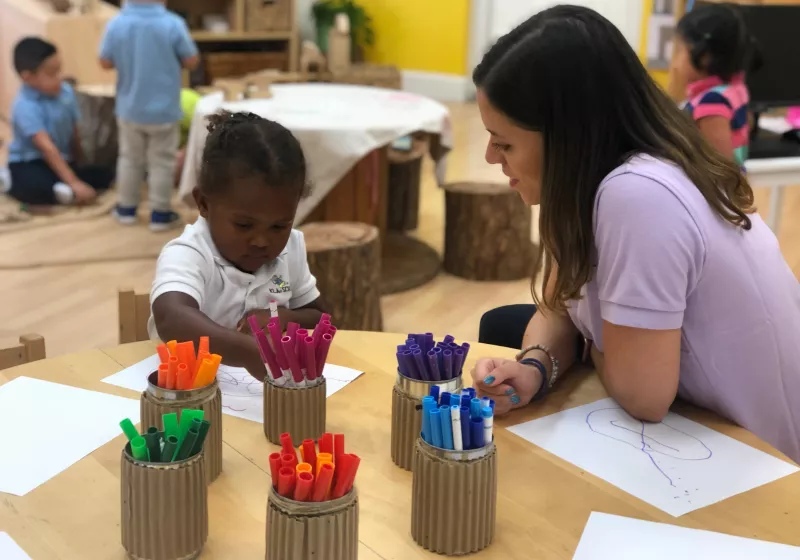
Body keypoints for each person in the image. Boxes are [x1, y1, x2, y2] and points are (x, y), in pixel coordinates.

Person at [472, 7, 800, 462]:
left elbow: (643, 396)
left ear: (567, 137)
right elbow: (560, 304)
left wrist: (586, 347)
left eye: (504, 142)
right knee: (505, 323)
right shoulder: (608, 177)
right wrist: (534, 365)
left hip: (758, 460)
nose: (491, 157)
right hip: (702, 422)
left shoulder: (638, 196)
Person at [149, 111, 329, 380]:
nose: (261, 241)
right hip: (186, 398)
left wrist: (285, 318)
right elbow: (171, 317)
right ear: (204, 204)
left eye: (279, 226)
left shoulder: (291, 247)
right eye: (244, 225)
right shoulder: (189, 252)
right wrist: (247, 351)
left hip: (260, 404)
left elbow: (320, 317)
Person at [98, 0, 199, 231]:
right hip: (164, 110)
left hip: (129, 107)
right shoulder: (173, 24)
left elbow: (104, 61)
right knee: (162, 162)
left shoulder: (117, 24)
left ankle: (126, 209)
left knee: (129, 159)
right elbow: (191, 60)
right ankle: (160, 214)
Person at [4, 38, 114, 206]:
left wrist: (78, 161)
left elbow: (74, 131)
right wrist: (74, 182)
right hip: (30, 162)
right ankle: (9, 180)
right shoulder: (24, 106)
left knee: (103, 175)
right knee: (32, 185)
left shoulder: (66, 93)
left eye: (59, 71)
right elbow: (47, 148)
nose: (59, 78)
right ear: (28, 77)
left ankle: (62, 190)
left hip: (62, 159)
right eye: (51, 74)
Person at [673, 3, 759, 167]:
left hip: (710, 190)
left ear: (704, 56)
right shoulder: (734, 87)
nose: (675, 64)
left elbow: (719, 164)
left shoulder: (712, 101)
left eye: (679, 50)